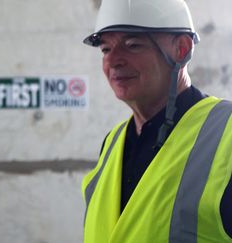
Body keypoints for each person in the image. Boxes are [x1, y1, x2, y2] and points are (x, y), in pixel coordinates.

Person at [81, 0, 232, 242]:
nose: (113, 61)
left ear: (181, 49)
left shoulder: (226, 132)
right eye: (106, 49)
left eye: (133, 45)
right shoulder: (113, 142)